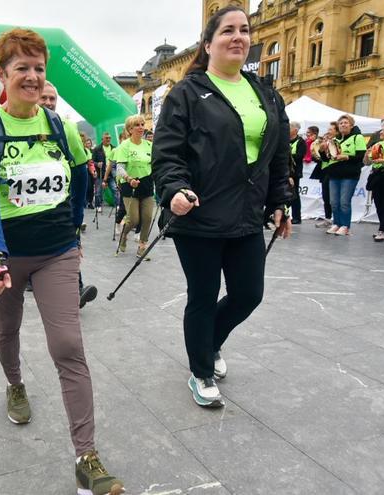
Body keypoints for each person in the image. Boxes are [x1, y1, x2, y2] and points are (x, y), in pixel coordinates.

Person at [0, 28, 124, 495]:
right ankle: (15, 384)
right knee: (8, 327)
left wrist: (73, 226)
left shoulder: (59, 126)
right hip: (6, 252)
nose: (33, 77)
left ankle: (86, 456)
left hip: (56, 251)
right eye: (22, 68)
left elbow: (81, 176)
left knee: (68, 345)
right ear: (3, 75)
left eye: (39, 68)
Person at [152, 5, 292, 408]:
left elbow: (278, 152)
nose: (238, 37)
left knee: (249, 293)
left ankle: (210, 341)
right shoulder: (187, 93)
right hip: (199, 212)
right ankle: (200, 370)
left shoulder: (265, 93)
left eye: (244, 30)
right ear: (209, 43)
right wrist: (175, 188)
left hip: (247, 212)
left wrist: (280, 200)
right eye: (228, 30)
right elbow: (167, 152)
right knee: (203, 293)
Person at [39, 81, 98, 308]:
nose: (49, 102)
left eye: (52, 98)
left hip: (62, 206)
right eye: (44, 98)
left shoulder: (66, 127)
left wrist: (77, 210)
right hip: (29, 211)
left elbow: (80, 171)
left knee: (70, 245)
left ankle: (77, 288)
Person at [114, 115, 155, 258]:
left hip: (147, 185)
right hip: (130, 186)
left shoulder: (149, 145)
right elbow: (119, 167)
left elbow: (155, 165)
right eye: (137, 125)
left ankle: (142, 246)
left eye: (142, 124)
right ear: (130, 129)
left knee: (148, 217)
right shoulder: (124, 146)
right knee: (134, 219)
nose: (141, 127)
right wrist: (128, 178)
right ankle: (124, 235)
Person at [327, 115, 366, 235]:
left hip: (349, 174)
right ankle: (336, 223)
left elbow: (360, 156)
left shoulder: (357, 137)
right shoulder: (335, 140)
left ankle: (345, 225)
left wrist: (347, 157)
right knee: (334, 202)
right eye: (341, 123)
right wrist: (324, 151)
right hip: (334, 173)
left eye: (346, 123)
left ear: (351, 125)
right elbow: (328, 157)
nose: (343, 125)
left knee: (344, 201)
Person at [288, 121, 306, 224]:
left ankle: (296, 217)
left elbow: (299, 156)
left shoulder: (301, 142)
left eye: (289, 128)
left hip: (295, 172)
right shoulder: (285, 140)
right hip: (285, 171)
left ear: (295, 130)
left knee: (294, 195)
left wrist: (288, 156)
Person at [92, 132, 115, 212]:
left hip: (111, 173)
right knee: (98, 191)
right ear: (102, 139)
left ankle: (118, 205)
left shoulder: (114, 148)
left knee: (115, 189)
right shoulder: (97, 149)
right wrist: (97, 164)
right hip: (100, 173)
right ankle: (98, 205)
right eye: (106, 138)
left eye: (109, 138)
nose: (108, 139)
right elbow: (92, 161)